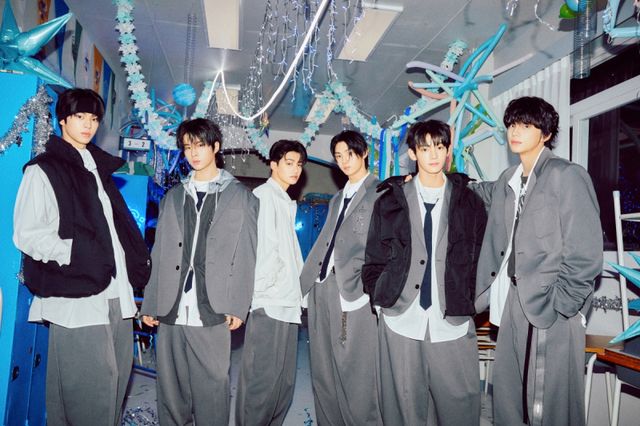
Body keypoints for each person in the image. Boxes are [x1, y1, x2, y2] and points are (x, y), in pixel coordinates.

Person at [13, 88, 151, 426]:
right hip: (76, 295)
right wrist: (77, 254)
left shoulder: (98, 169)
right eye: (79, 117)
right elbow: (27, 234)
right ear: (62, 120)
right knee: (91, 390)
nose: (88, 125)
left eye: (93, 119)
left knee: (115, 383)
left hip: (116, 293)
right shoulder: (43, 170)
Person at [473, 96, 602, 426]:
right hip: (511, 302)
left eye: (526, 125)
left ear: (546, 134)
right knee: (508, 400)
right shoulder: (509, 179)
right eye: (512, 125)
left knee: (549, 408)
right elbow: (479, 192)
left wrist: (562, 306)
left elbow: (585, 251)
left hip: (551, 307)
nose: (516, 131)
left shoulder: (566, 175)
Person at [362, 120, 487, 425]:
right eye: (425, 147)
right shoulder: (389, 201)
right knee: (402, 408)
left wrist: (473, 301)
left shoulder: (469, 201)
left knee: (461, 404)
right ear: (413, 153)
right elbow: (374, 256)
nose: (433, 154)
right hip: (400, 317)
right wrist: (380, 298)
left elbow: (481, 257)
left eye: (440, 147)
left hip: (453, 318)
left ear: (448, 151)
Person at [140, 118, 258, 425]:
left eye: (200, 145)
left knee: (214, 386)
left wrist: (238, 305)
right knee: (170, 390)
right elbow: (160, 252)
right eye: (187, 147)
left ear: (215, 147)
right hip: (171, 306)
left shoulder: (241, 197)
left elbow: (246, 255)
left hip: (213, 306)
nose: (193, 153)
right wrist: (150, 302)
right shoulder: (173, 196)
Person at [300, 130, 382, 425]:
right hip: (321, 287)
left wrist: (369, 287)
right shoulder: (337, 197)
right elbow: (326, 241)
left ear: (364, 153)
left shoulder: (380, 192)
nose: (344, 161)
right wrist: (306, 284)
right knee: (322, 369)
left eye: (350, 154)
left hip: (353, 290)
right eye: (338, 156)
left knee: (356, 370)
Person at [235, 139, 307, 426]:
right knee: (261, 381)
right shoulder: (265, 196)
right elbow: (264, 250)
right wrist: (264, 292)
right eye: (289, 163)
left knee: (283, 383)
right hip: (270, 302)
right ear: (274, 165)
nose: (295, 169)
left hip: (287, 301)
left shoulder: (284, 199)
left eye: (299, 164)